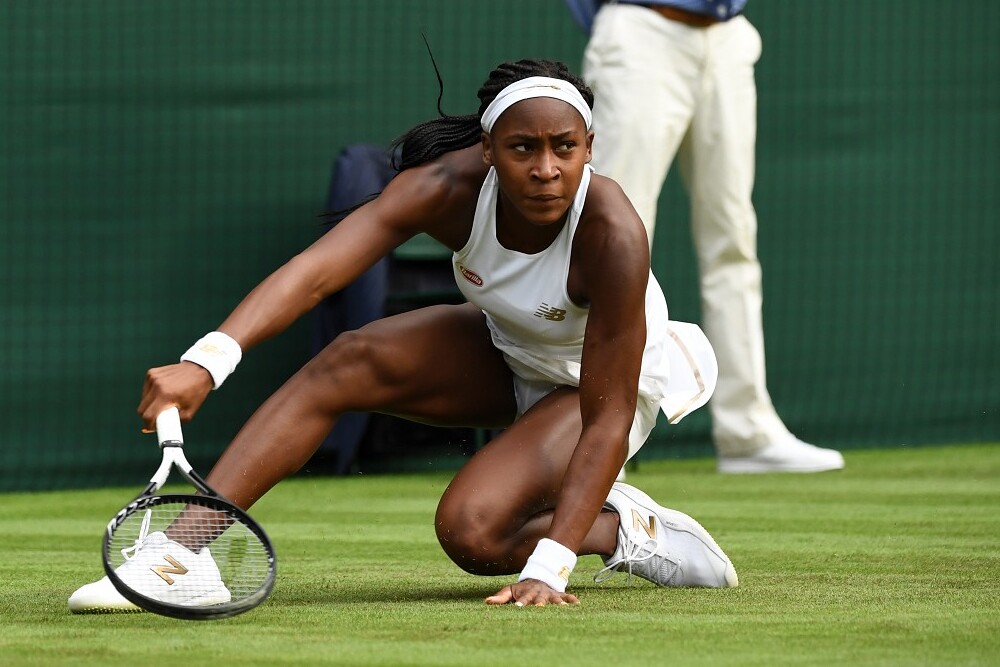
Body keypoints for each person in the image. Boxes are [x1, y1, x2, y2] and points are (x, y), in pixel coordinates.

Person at [68, 58, 737, 613]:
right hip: (509, 348)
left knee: (473, 532)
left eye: (565, 147)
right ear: (488, 150)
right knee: (346, 360)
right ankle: (182, 554)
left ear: (588, 148)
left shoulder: (612, 234)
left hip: (598, 385)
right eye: (522, 148)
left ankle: (628, 530)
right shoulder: (445, 189)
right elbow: (315, 272)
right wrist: (207, 362)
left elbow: (610, 409)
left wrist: (552, 564)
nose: (545, 168)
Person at [572, 0, 844, 473]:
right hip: (641, 32)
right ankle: (591, 433)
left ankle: (747, 432)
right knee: (614, 238)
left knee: (733, 236)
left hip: (727, 38)